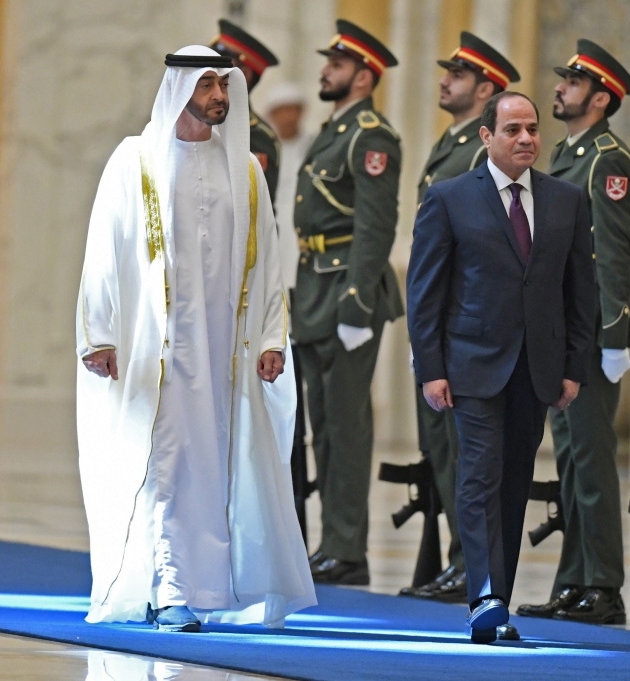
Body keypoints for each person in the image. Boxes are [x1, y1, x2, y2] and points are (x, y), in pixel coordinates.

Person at [76, 46, 315, 632]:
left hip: (223, 354)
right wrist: (99, 332)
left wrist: (271, 338)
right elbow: (103, 251)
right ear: (180, 89)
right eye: (207, 84)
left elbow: (268, 266)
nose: (219, 96)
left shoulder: (247, 171)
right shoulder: (134, 161)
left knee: (214, 468)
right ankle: (167, 589)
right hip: (153, 350)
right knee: (166, 462)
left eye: (223, 84)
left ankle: (205, 587)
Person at [407, 91, 595, 644]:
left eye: (532, 129)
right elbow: (426, 292)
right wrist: (430, 367)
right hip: (470, 364)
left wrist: (572, 367)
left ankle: (500, 600)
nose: (526, 139)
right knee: (478, 476)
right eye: (512, 129)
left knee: (515, 483)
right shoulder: (449, 198)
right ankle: (484, 594)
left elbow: (581, 292)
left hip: (535, 368)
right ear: (487, 137)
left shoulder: (566, 200)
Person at [516, 39, 630, 626]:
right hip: (560, 331)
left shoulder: (607, 160)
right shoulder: (565, 158)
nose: (560, 88)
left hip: (589, 333)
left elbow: (613, 253)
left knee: (591, 462)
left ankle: (604, 588)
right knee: (568, 463)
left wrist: (614, 331)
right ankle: (573, 581)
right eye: (563, 78)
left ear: (600, 97)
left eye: (573, 82)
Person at [400, 32, 520, 608]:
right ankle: (457, 557)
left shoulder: (482, 158)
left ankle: (464, 562)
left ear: (486, 89)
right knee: (445, 451)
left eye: (459, 74)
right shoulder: (450, 144)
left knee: (468, 456)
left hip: (467, 329)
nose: (445, 80)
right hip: (442, 325)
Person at [292, 20, 403, 586]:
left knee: (347, 424)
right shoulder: (334, 129)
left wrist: (358, 303)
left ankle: (347, 549)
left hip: (347, 289)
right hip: (315, 282)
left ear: (363, 75)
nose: (324, 71)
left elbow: (376, 226)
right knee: (324, 426)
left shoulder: (370, 135)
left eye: (335, 65)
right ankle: (330, 543)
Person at [211, 19, 281, 204]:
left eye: (218, 66)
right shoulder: (192, 121)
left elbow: (258, 212)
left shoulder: (258, 137)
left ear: (244, 76)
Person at [264, 82, 312, 291]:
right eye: (283, 111)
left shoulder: (313, 145)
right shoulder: (264, 148)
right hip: (271, 223)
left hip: (304, 224)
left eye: (294, 110)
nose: (289, 117)